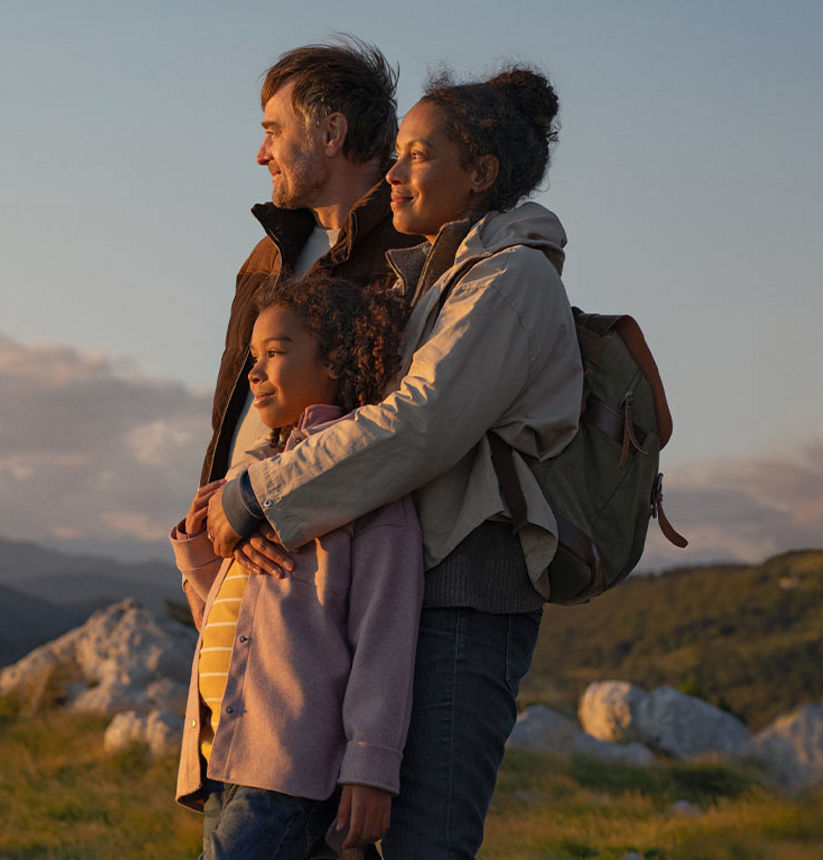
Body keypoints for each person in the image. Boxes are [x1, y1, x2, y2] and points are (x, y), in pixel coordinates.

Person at [207, 67, 584, 858]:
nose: (394, 171)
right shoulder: (445, 278)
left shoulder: (510, 280)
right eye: (398, 152)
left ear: (480, 174)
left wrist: (262, 493)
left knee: (424, 843)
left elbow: (418, 425)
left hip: (465, 596)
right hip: (415, 588)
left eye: (418, 155)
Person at [172, 277, 424, 859]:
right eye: (252, 356)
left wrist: (371, 766)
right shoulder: (252, 478)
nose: (254, 371)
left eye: (275, 352)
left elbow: (384, 640)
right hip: (222, 754)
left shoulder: (364, 482)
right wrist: (199, 540)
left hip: (286, 766)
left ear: (334, 360)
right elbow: (221, 619)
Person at [199, 37, 423, 486]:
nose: (261, 154)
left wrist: (262, 500)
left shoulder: (412, 253)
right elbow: (232, 417)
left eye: (274, 131)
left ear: (331, 134)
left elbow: (404, 423)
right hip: (236, 516)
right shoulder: (266, 257)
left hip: (328, 520)